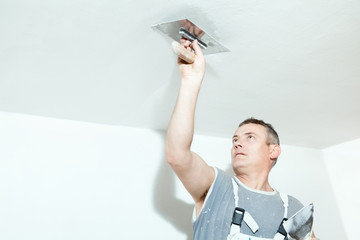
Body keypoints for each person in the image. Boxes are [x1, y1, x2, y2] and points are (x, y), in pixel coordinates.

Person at [165, 39, 319, 240]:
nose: (237, 143)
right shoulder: (217, 188)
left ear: (273, 151)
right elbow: (177, 155)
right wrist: (190, 80)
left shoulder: (292, 208)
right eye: (235, 139)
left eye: (250, 137)